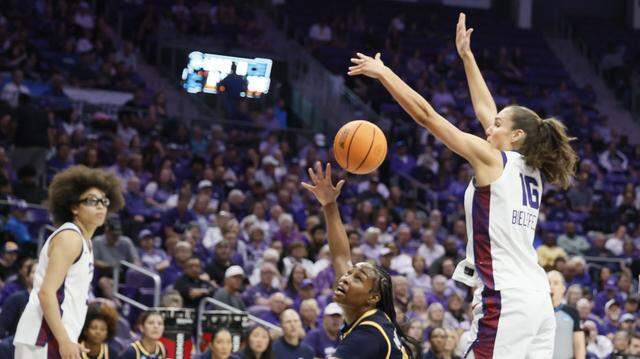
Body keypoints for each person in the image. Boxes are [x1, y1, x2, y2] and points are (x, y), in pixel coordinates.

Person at [347, 11, 578, 358]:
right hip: (538, 300)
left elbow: (427, 117)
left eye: (497, 124)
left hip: (507, 299)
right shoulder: (531, 167)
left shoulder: (492, 159)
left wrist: (385, 74)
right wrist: (468, 57)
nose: (489, 126)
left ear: (515, 135)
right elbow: (487, 108)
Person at [301, 163, 416, 358]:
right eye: (350, 273)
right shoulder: (373, 319)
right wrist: (329, 204)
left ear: (372, 298)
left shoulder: (369, 333)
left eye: (357, 278)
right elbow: (340, 256)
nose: (345, 278)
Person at [13, 165, 124, 359]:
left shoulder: (85, 242)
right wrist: (64, 340)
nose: (100, 206)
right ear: (74, 207)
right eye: (92, 201)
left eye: (104, 201)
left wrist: (70, 339)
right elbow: (47, 293)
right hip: (44, 335)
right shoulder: (70, 237)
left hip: (55, 335)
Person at [548, 271, 586, 359]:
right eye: (548, 283)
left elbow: (579, 345)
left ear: (563, 288)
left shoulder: (572, 313)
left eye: (556, 283)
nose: (551, 286)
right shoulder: (536, 312)